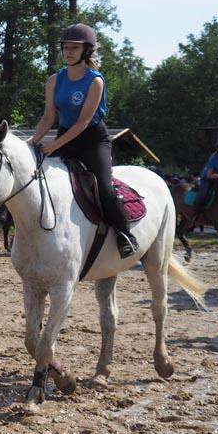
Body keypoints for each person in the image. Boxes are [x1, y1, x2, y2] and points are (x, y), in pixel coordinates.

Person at [29, 23, 137, 258]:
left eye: (74, 48)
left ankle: (125, 234)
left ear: (86, 51)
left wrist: (53, 146)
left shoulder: (95, 81)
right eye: (65, 48)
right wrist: (33, 142)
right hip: (65, 135)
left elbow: (83, 122)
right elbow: (48, 117)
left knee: (104, 188)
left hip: (93, 139)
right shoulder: (54, 80)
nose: (68, 52)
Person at [197, 138, 218, 204]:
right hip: (206, 178)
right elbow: (209, 175)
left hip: (217, 177)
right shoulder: (213, 159)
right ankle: (197, 209)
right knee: (203, 194)